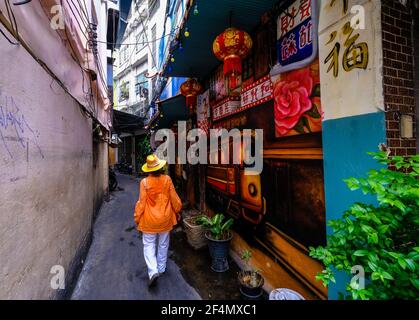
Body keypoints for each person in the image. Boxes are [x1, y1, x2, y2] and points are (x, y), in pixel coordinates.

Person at [134, 154, 182, 288]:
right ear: (159, 167)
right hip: (165, 219)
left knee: (149, 245)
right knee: (163, 243)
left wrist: (137, 217)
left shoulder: (144, 183)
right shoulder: (167, 179)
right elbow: (174, 199)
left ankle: (153, 270)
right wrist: (178, 210)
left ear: (148, 169)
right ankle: (161, 268)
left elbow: (141, 203)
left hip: (149, 220)